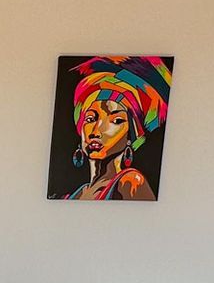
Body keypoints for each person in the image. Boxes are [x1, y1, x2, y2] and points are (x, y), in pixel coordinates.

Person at [60, 56, 171, 200]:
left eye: (116, 120)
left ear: (131, 136)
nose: (96, 131)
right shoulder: (78, 193)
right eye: (90, 119)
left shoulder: (130, 182)